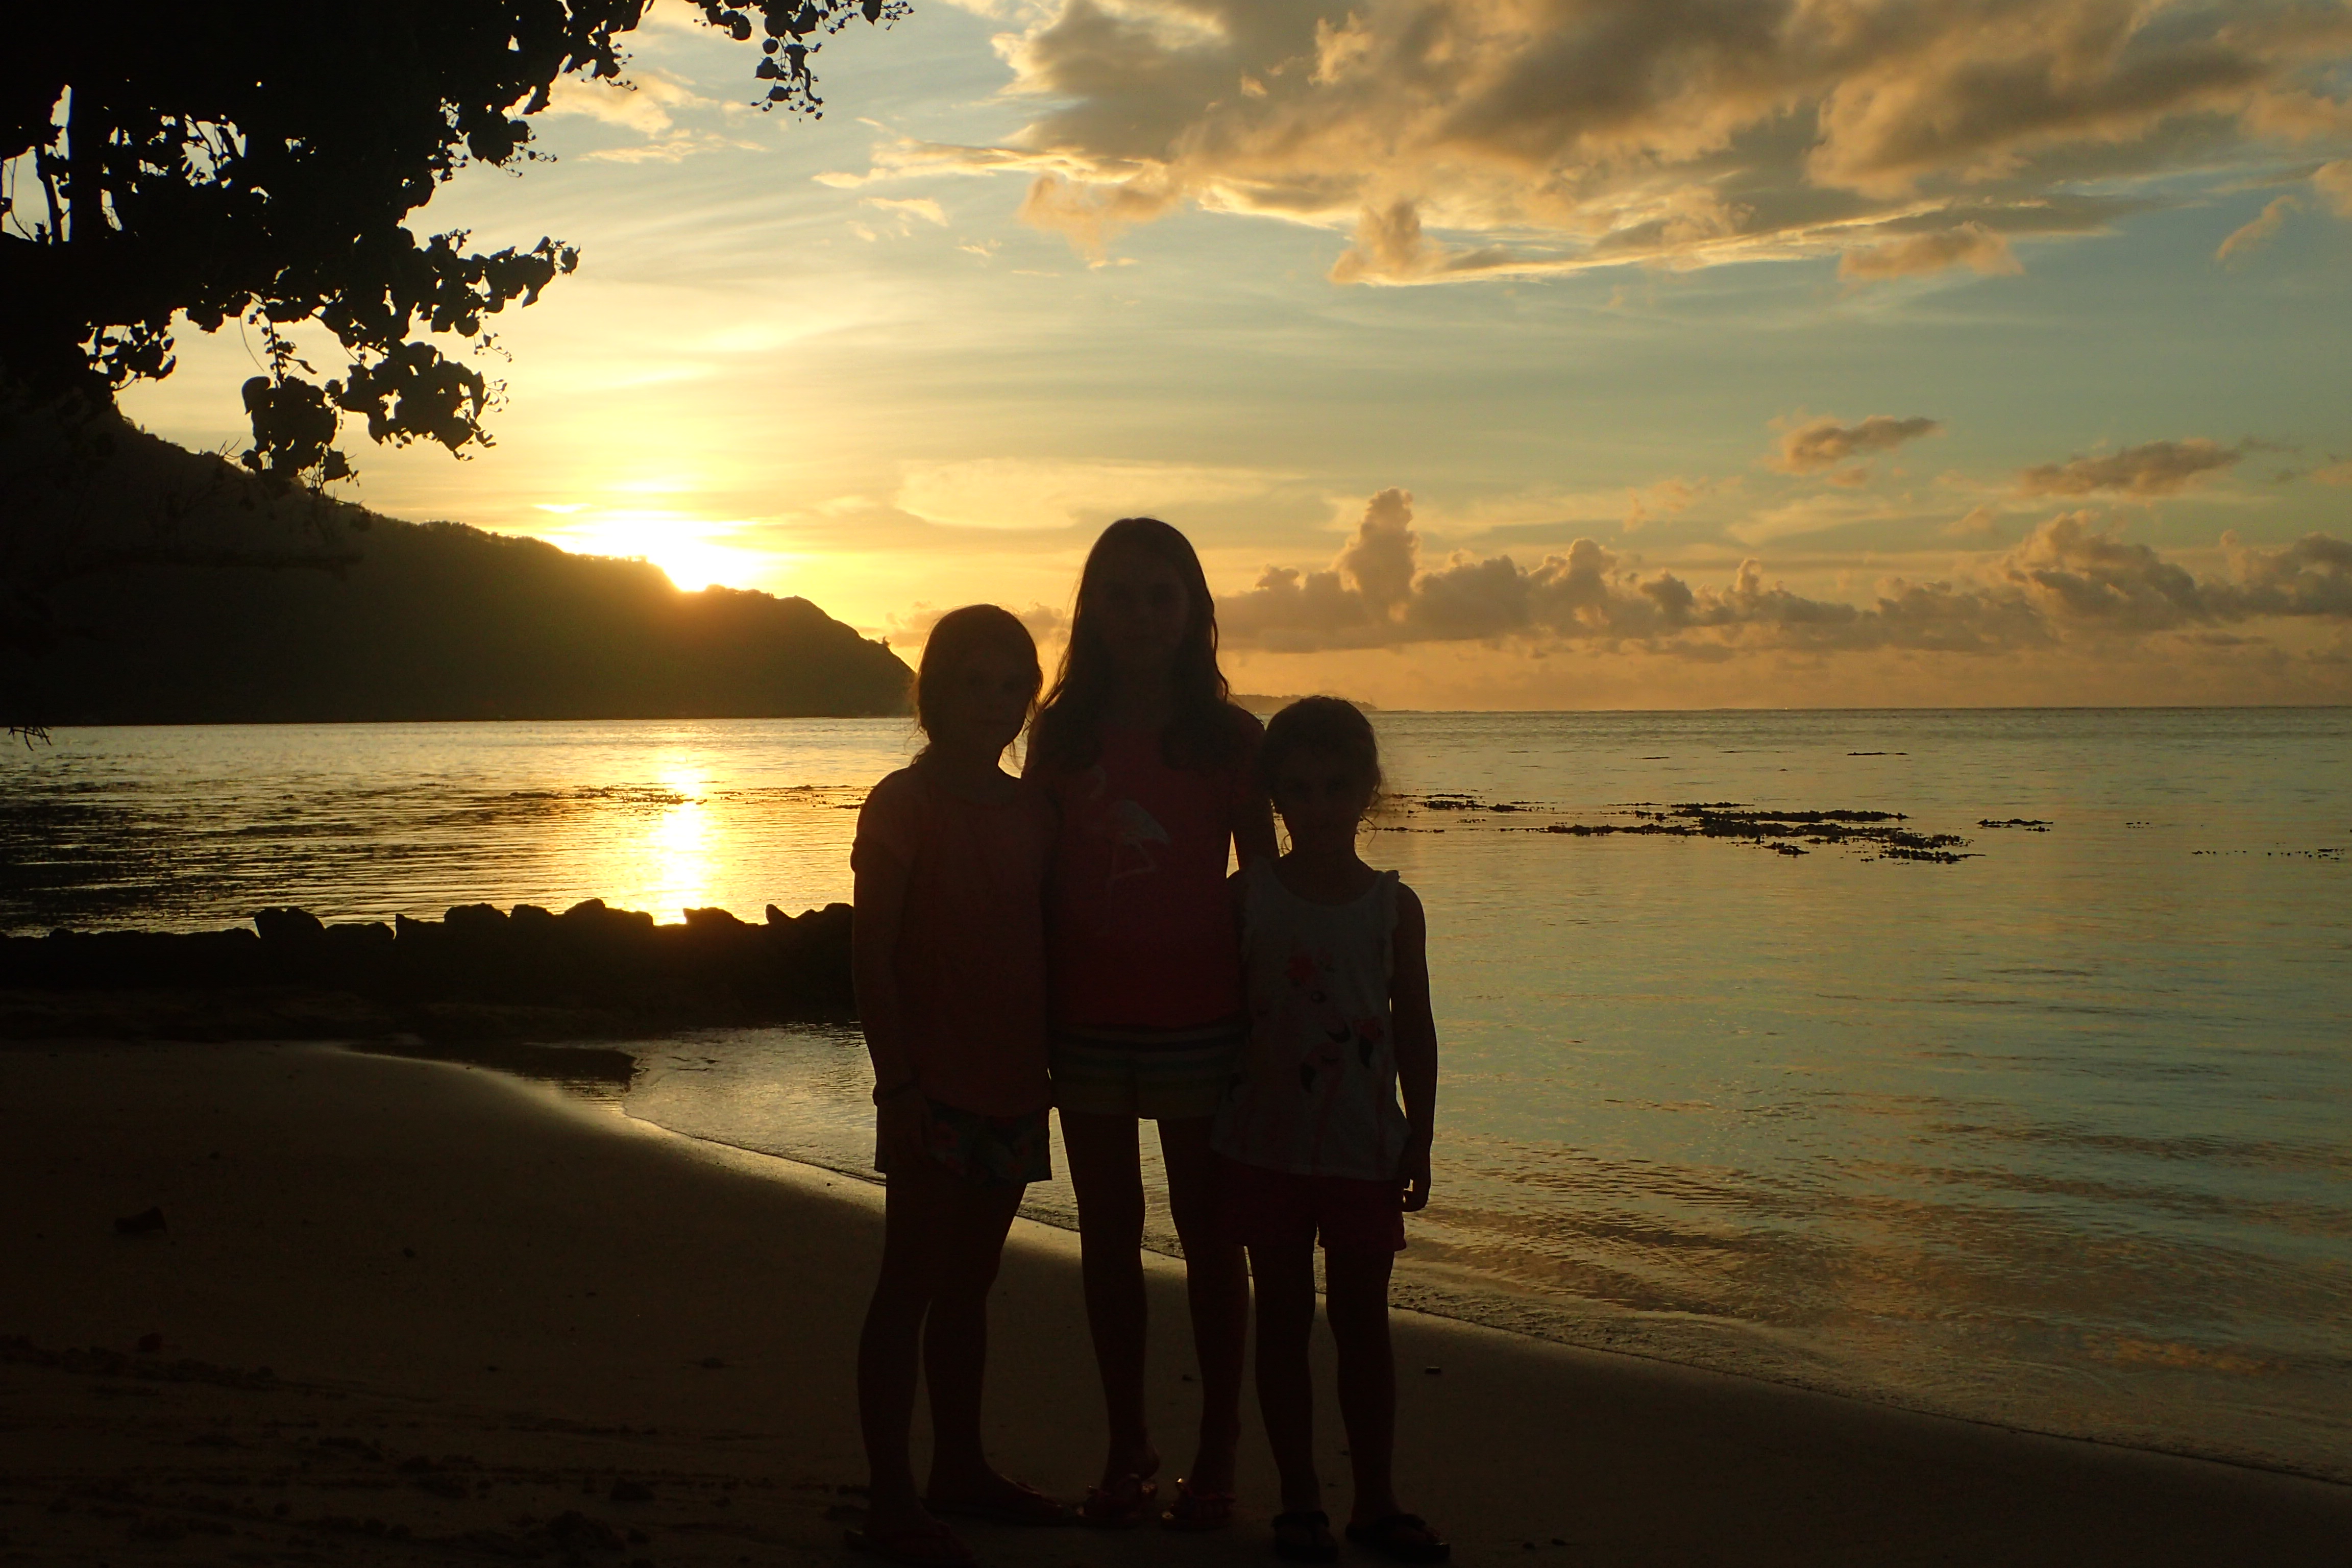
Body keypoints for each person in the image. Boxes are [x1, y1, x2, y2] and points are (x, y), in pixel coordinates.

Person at [1025, 517, 1277, 1530]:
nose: (1141, 615)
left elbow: (1263, 883)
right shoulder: (1062, 735)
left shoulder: (1232, 740)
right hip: (1085, 1019)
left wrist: (1284, 1015)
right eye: (1120, 596)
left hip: (1203, 1020)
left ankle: (1217, 1452)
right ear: (1090, 611)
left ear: (1194, 611)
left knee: (1213, 1239)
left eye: (1161, 596)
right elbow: (1036, 871)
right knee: (1108, 1234)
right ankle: (1127, 1446)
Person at [849, 604, 1072, 1566]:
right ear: (933, 694)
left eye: (1011, 685)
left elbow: (1046, 940)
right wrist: (895, 1085)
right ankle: (892, 1494)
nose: (994, 702)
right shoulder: (902, 804)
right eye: (973, 683)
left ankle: (960, 1467)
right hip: (930, 1089)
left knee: (972, 1287)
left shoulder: (1035, 812)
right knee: (909, 1285)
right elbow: (871, 955)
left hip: (1016, 1086)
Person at [1215, 697, 1449, 1564]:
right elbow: (1221, 1022)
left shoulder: (1393, 907)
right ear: (1274, 795)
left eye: (1336, 788)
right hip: (1262, 1147)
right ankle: (1301, 1501)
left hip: (1362, 1148)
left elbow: (1415, 1026)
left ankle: (1376, 1500)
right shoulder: (1248, 898)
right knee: (1280, 1320)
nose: (1318, 808)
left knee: (1363, 1325)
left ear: (1366, 792)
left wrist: (1422, 1135)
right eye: (1300, 790)